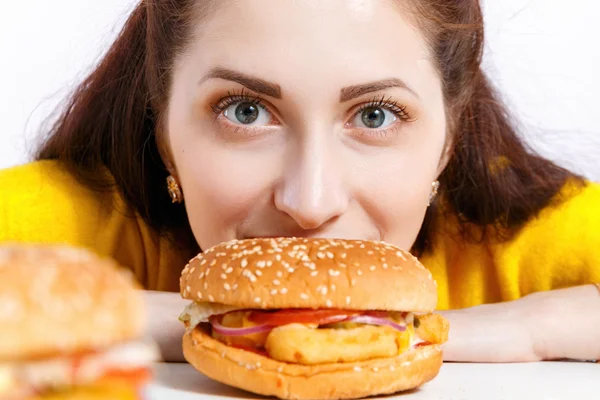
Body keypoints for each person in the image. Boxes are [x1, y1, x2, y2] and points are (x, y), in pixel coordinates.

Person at [1, 0, 598, 363]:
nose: (310, 203)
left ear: (447, 142)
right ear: (164, 133)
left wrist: (526, 331)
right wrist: (192, 321)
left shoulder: (527, 232)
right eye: (245, 111)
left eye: (374, 115)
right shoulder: (76, 222)